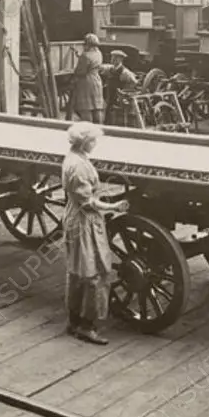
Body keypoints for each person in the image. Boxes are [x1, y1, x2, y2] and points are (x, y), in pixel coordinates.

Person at [61, 121, 128, 345]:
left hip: (77, 218)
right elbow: (88, 203)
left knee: (77, 272)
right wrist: (115, 206)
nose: (95, 144)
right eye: (93, 140)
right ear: (84, 142)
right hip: (83, 222)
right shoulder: (79, 167)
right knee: (94, 273)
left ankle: (73, 321)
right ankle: (87, 326)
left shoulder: (75, 158)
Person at [68, 33, 104, 124]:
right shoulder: (98, 53)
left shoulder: (85, 55)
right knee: (96, 107)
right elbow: (90, 62)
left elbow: (80, 71)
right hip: (97, 81)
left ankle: (87, 127)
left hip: (86, 83)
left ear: (88, 44)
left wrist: (72, 78)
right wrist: (78, 55)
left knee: (86, 108)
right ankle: (99, 127)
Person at [104, 50, 139, 127]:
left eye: (115, 58)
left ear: (120, 59)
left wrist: (124, 91)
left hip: (119, 97)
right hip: (110, 95)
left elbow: (134, 82)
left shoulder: (125, 72)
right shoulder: (109, 69)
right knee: (108, 110)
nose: (113, 59)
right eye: (112, 57)